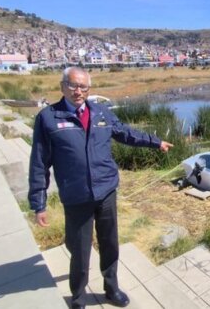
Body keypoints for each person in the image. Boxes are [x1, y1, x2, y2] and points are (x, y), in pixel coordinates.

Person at [28, 67, 174, 309]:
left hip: (106, 191)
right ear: (63, 86)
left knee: (109, 243)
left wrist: (155, 142)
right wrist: (38, 203)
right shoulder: (48, 118)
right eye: (73, 85)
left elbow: (125, 133)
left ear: (89, 89)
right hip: (76, 196)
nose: (78, 91)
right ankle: (77, 297)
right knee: (80, 250)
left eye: (84, 87)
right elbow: (39, 163)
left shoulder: (101, 112)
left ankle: (111, 288)